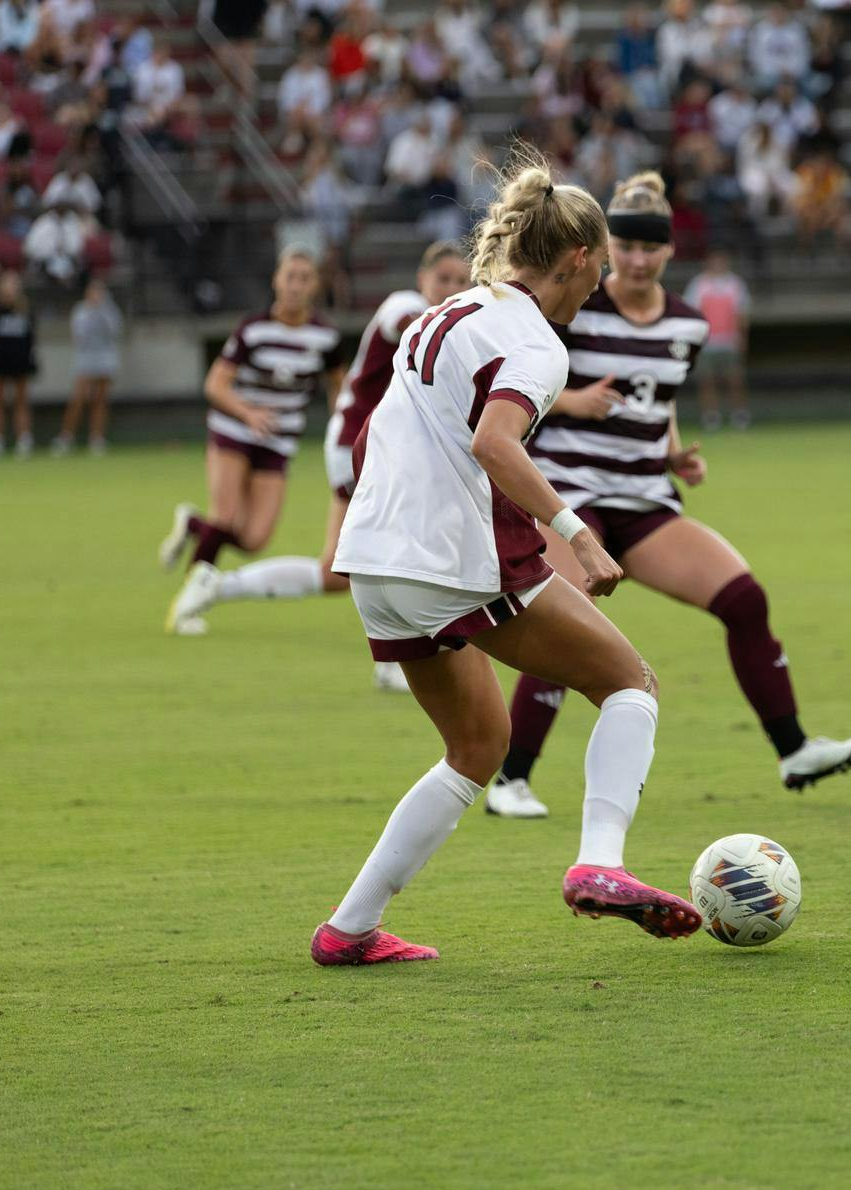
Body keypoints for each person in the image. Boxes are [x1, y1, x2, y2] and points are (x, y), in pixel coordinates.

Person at [311, 153, 702, 965]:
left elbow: (381, 428)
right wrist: (578, 535)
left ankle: (347, 930)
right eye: (596, 273)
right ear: (583, 259)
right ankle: (601, 863)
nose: (597, 289)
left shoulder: (448, 311)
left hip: (377, 561)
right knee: (631, 684)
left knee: (476, 748)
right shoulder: (537, 344)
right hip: (450, 558)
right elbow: (494, 442)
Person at [485, 171, 851, 819]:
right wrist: (576, 400)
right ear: (604, 252)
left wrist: (672, 451)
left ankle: (794, 749)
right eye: (624, 248)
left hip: (644, 500)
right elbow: (518, 394)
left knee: (745, 599)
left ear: (669, 253)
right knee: (566, 619)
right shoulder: (575, 305)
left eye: (649, 249)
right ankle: (511, 780)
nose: (635, 261)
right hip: (572, 492)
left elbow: (656, 401)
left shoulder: (688, 326)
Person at [168, 243, 470, 692]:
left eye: (461, 283)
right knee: (402, 550)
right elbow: (405, 325)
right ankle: (395, 664)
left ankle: (219, 586)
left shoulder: (433, 325)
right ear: (422, 278)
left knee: (336, 572)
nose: (450, 290)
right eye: (442, 280)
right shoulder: (406, 308)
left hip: (374, 446)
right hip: (359, 447)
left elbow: (345, 381)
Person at [156, 247, 342, 635]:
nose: (295, 285)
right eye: (289, 276)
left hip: (278, 443)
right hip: (234, 429)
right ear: (276, 280)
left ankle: (192, 523)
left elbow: (339, 394)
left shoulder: (325, 337)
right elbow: (215, 384)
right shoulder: (252, 328)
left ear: (316, 286)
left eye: (304, 278)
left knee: (254, 539)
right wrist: (248, 413)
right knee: (224, 516)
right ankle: (190, 603)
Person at [684, 250, 751, 430]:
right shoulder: (698, 285)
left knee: (735, 380)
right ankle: (711, 416)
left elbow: (741, 314)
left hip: (730, 342)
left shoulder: (735, 284)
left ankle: (739, 415)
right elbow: (692, 314)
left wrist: (742, 338)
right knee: (707, 381)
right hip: (707, 344)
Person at [53, 277, 120, 457]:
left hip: (105, 358)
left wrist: (102, 311)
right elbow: (79, 336)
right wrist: (92, 312)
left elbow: (114, 331)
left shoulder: (109, 310)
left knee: (101, 400)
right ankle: (66, 436)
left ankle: (97, 438)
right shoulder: (81, 311)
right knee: (79, 398)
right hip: (86, 359)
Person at [0, 271, 36, 460]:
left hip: (20, 362)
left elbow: (31, 340)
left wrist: (31, 361)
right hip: (0, 363)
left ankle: (24, 438)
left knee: (21, 400)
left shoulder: (25, 312)